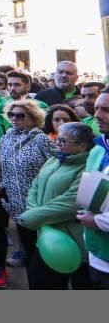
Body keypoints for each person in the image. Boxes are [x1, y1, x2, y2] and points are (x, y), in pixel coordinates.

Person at [19, 122, 93, 289]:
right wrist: (34, 212)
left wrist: (32, 217)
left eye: (62, 141)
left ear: (82, 146)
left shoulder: (88, 168)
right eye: (57, 139)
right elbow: (35, 187)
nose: (56, 144)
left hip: (72, 244)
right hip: (46, 240)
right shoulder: (54, 159)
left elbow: (70, 203)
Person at [0, 99, 56, 273]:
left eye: (20, 115)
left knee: (41, 250)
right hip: (14, 204)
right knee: (28, 246)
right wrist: (2, 188)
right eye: (11, 114)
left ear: (33, 118)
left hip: (38, 205)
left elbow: (58, 164)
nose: (14, 118)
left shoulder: (41, 139)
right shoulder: (6, 137)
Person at [76, 88, 109, 289]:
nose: (97, 115)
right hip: (96, 253)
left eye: (106, 109)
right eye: (97, 108)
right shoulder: (98, 148)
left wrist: (97, 220)